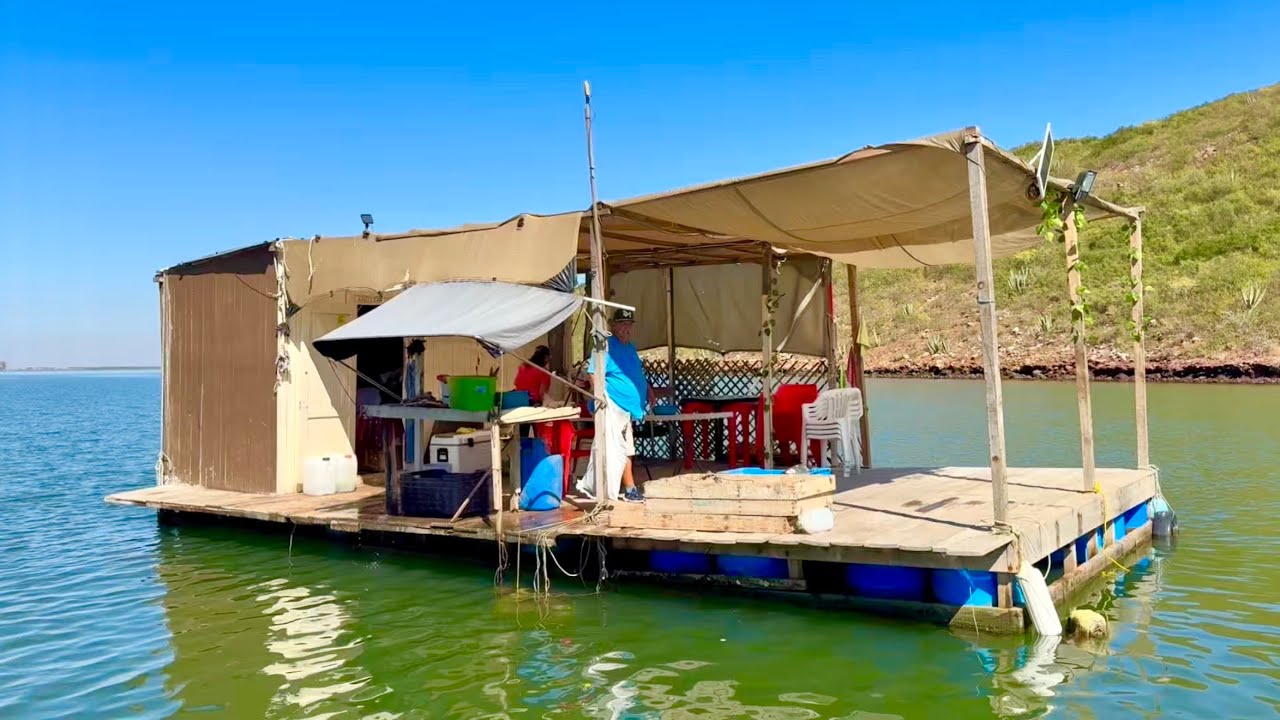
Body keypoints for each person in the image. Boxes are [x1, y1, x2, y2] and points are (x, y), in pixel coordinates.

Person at [576, 308, 650, 503]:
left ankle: (627, 488)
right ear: (613, 326)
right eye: (622, 324)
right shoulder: (606, 346)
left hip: (627, 409)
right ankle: (622, 488)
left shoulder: (630, 347)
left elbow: (636, 373)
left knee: (626, 448)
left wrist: (648, 391)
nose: (626, 328)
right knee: (618, 448)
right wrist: (600, 396)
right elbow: (593, 372)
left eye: (629, 324)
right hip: (613, 406)